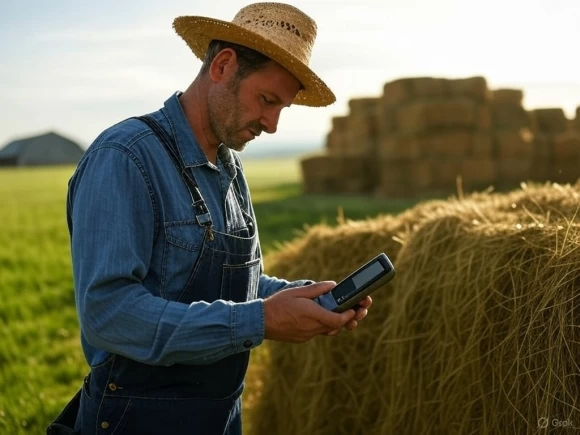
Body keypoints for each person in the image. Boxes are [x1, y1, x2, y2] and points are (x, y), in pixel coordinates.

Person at [47, 3, 372, 435]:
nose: (272, 125)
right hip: (136, 420)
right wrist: (260, 320)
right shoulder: (124, 157)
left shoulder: (230, 168)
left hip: (219, 419)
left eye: (283, 109)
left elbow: (240, 281)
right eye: (267, 100)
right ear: (222, 66)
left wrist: (302, 298)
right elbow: (108, 314)